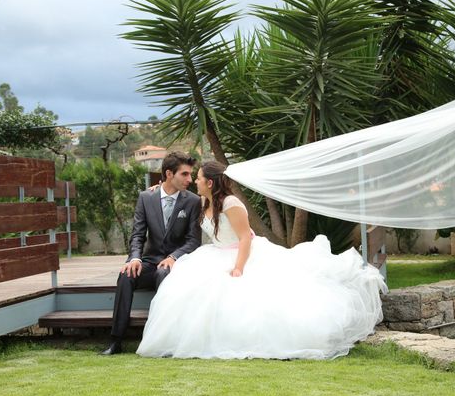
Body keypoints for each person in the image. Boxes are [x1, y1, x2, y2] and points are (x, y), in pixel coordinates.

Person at [136, 161, 386, 360]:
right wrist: (156, 190)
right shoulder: (202, 202)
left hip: (242, 254)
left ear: (210, 183)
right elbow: (178, 197)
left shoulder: (231, 204)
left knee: (250, 299)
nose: (195, 182)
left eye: (199, 178)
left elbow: (245, 238)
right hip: (213, 254)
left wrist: (238, 268)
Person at [102, 152, 201, 355]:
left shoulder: (192, 201)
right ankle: (115, 340)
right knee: (126, 275)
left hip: (176, 263)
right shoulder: (146, 198)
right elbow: (137, 234)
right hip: (148, 260)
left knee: (163, 273)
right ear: (168, 174)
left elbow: (193, 240)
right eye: (185, 174)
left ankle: (163, 340)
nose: (190, 179)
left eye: (191, 175)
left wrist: (174, 257)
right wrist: (135, 258)